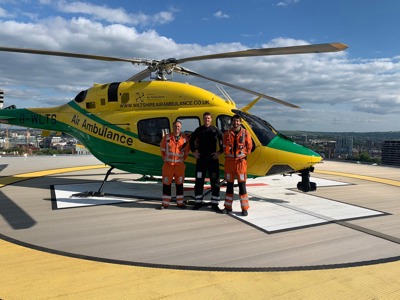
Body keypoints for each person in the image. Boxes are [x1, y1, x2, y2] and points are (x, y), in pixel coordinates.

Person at [189, 112, 223, 212]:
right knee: (199, 181)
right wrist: (194, 152)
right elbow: (191, 140)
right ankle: (198, 203)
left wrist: (219, 152)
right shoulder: (199, 130)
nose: (207, 120)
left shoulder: (215, 130)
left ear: (211, 119)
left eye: (208, 118)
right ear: (203, 119)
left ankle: (215, 204)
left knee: (215, 182)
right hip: (201, 160)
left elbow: (223, 141)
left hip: (213, 159)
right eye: (205, 118)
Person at [222, 115, 252, 216]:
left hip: (240, 163)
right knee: (229, 186)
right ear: (232, 122)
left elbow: (249, 147)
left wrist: (242, 155)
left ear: (240, 122)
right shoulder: (227, 134)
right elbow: (224, 147)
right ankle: (227, 207)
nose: (236, 123)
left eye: (238, 121)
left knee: (242, 187)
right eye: (234, 121)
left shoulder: (245, 133)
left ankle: (244, 208)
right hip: (229, 163)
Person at [159, 120, 190, 209]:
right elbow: (162, 150)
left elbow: (186, 152)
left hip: (179, 166)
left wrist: (181, 160)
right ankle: (165, 204)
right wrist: (166, 159)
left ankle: (180, 203)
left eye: (178, 127)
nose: (177, 128)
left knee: (179, 185)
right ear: (173, 127)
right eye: (175, 126)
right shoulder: (167, 137)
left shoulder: (184, 139)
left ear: (181, 128)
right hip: (168, 165)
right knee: (166, 185)